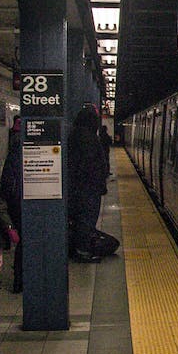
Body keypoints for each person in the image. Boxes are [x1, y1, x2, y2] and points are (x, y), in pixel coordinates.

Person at [67, 104, 115, 261]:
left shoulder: (76, 135)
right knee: (86, 219)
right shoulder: (87, 138)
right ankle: (82, 251)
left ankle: (81, 248)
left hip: (82, 187)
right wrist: (98, 184)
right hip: (88, 189)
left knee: (83, 220)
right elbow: (90, 165)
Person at [0, 116, 24, 292]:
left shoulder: (14, 152)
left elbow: (7, 183)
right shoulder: (19, 152)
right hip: (22, 202)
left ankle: (19, 282)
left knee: (23, 242)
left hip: (16, 202)